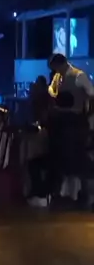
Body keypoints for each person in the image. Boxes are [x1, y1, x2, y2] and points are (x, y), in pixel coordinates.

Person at [47, 54, 94, 202]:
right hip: (61, 121)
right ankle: (65, 192)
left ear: (61, 64)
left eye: (55, 68)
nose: (55, 71)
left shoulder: (79, 76)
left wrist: (87, 114)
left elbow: (91, 95)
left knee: (77, 156)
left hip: (75, 121)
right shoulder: (58, 78)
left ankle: (83, 192)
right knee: (62, 156)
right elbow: (53, 94)